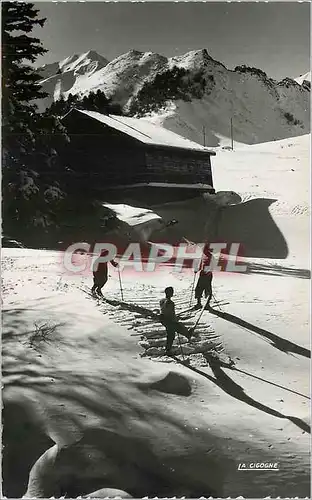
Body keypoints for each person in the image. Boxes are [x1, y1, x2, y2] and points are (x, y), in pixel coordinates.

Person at [159, 286, 192, 355]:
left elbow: (164, 311)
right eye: (172, 292)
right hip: (169, 320)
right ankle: (168, 350)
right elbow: (171, 314)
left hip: (163, 320)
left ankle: (187, 334)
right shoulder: (170, 303)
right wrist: (176, 319)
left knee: (172, 333)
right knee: (173, 333)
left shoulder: (162, 300)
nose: (173, 293)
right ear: (170, 293)